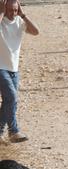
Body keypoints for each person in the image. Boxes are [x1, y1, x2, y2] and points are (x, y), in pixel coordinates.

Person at [0, 0, 38, 143]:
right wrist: (2, 12)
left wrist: (23, 15)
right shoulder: (1, 20)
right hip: (0, 67)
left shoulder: (18, 21)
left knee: (9, 102)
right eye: (10, 10)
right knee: (12, 98)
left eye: (15, 10)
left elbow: (36, 32)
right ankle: (13, 131)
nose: (13, 13)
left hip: (14, 69)